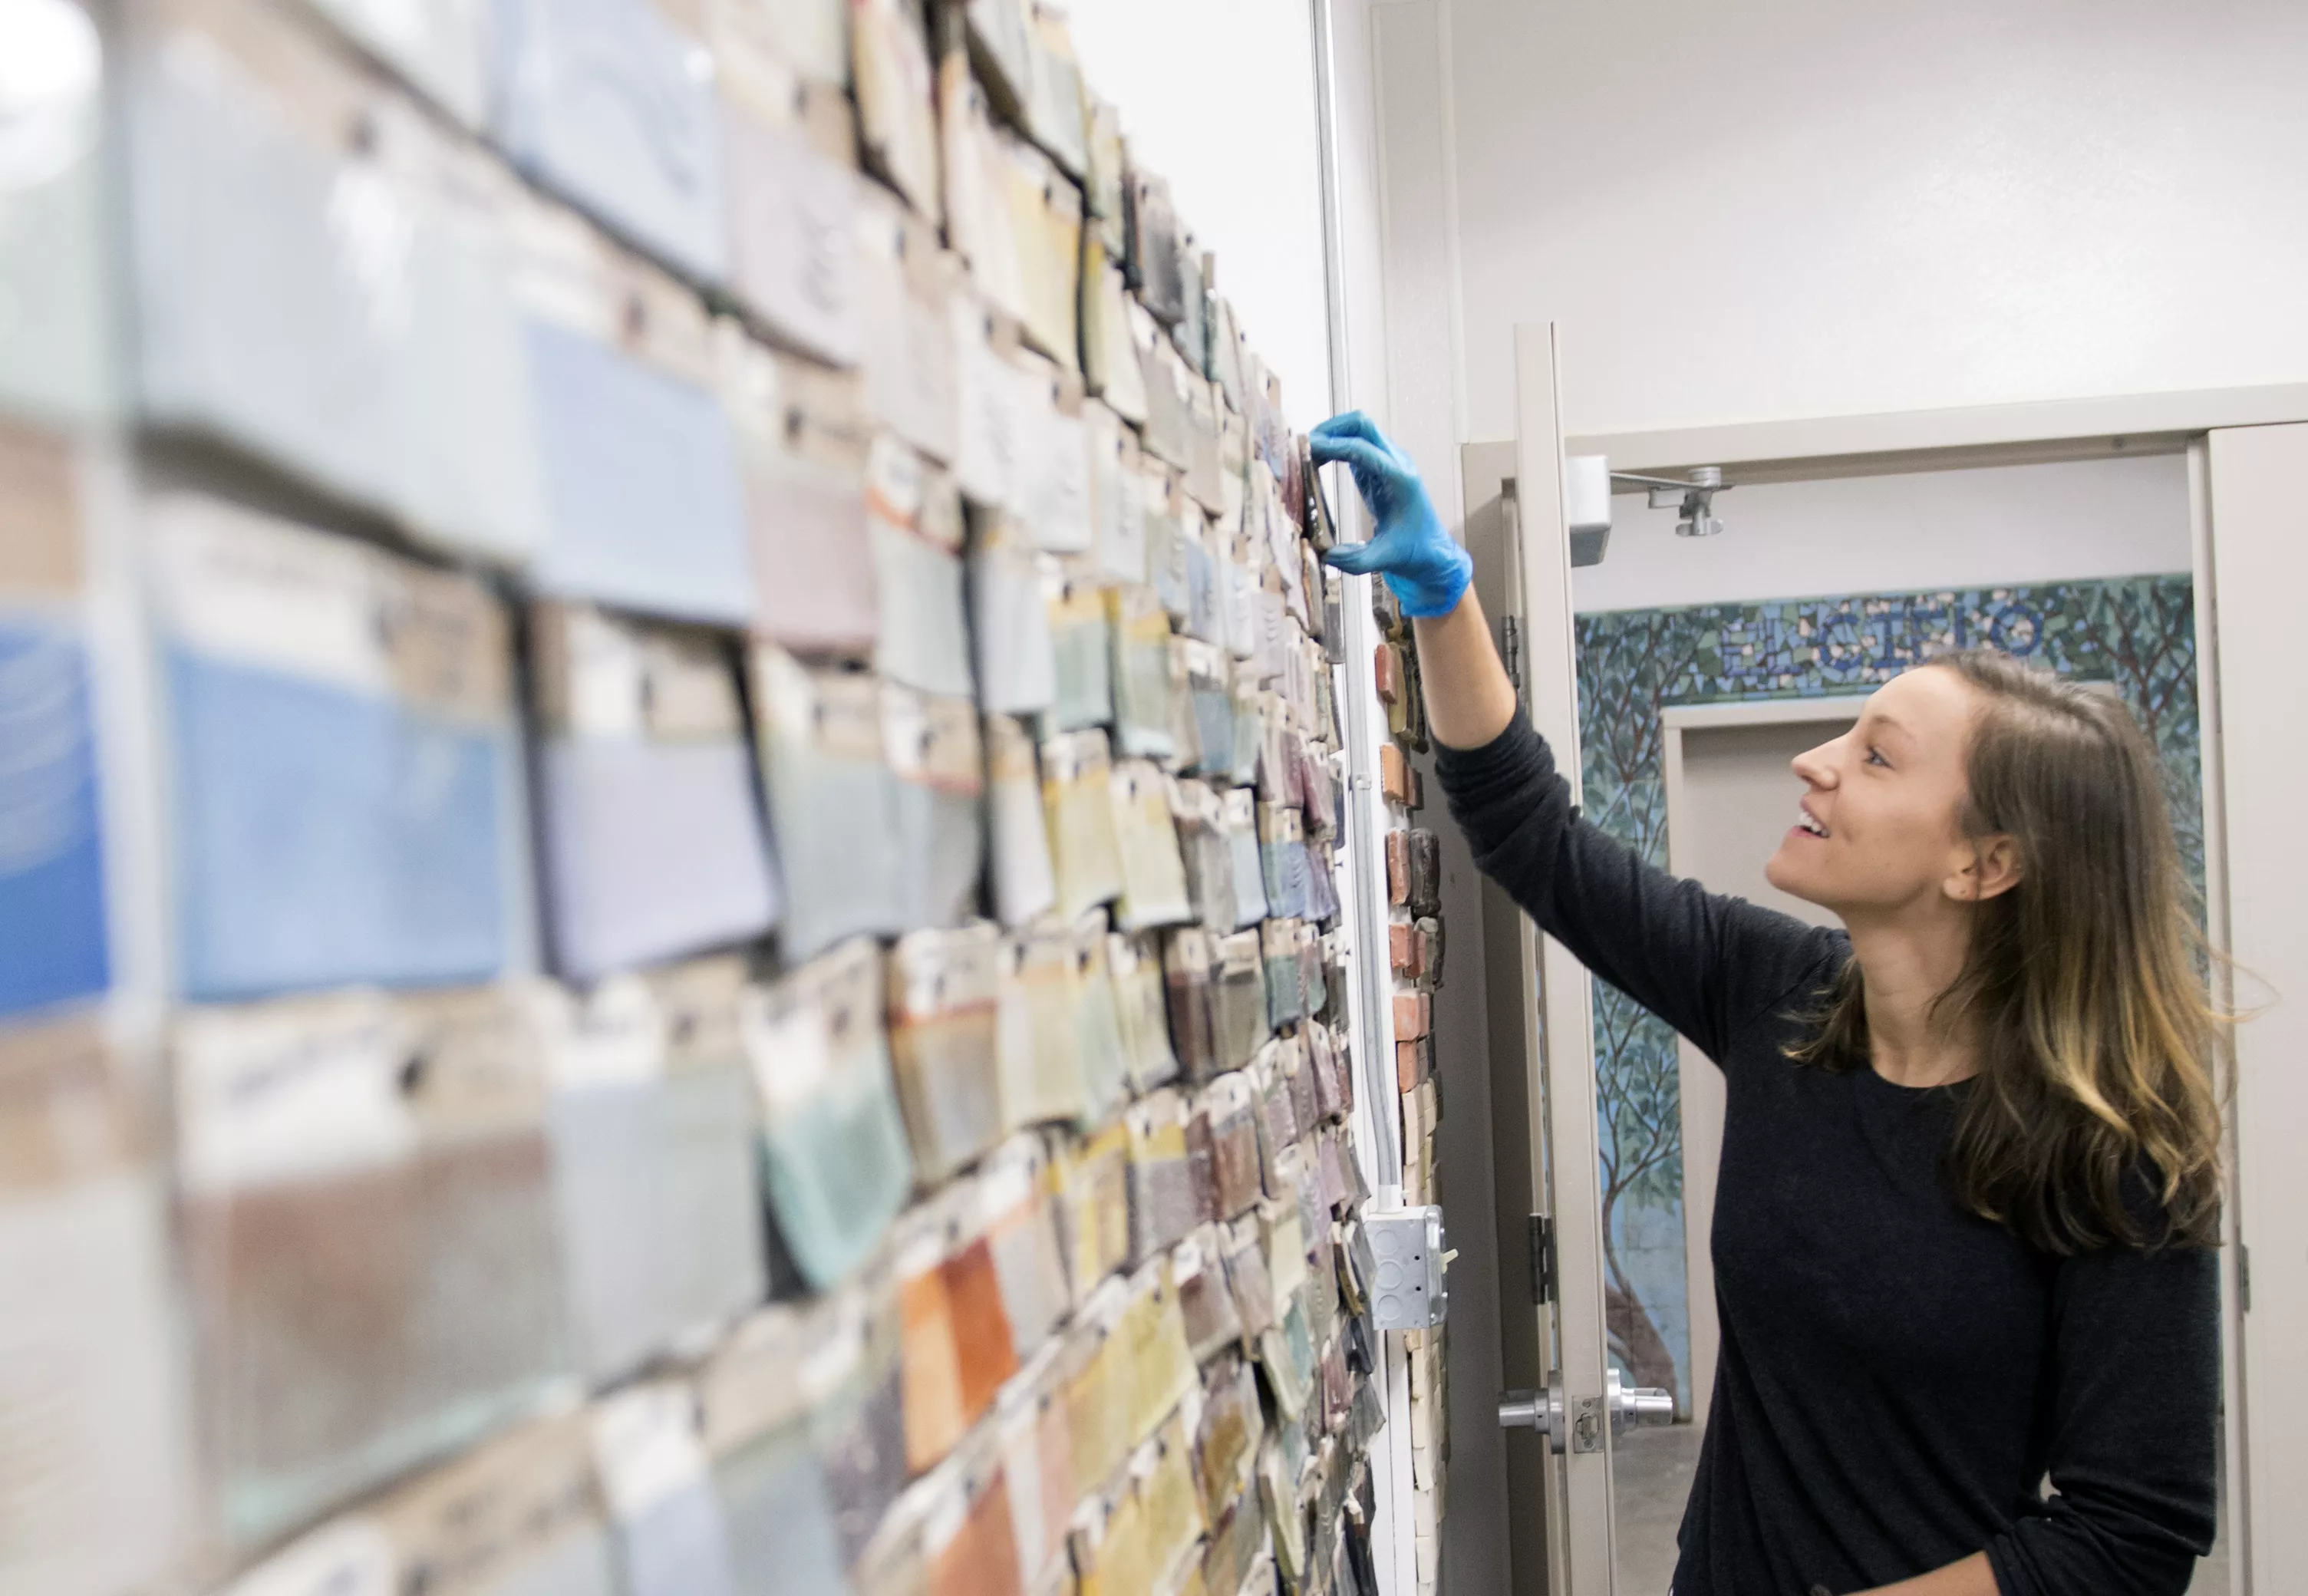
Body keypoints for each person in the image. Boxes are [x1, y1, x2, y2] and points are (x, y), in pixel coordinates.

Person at [1311, 413, 2224, 1596]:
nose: (1816, 761)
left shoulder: (2114, 1151)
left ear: (1985, 863)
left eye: (1877, 757)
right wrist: (1444, 598)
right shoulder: (1785, 995)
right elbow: (1533, 838)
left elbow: (2130, 1536)